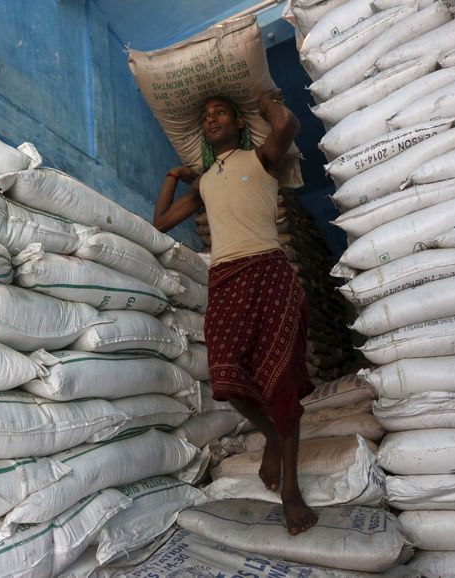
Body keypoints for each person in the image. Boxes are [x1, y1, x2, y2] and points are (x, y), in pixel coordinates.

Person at [153, 90, 318, 535]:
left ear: (237, 124)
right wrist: (175, 174)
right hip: (226, 281)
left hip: (268, 273)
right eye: (206, 116)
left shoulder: (260, 159)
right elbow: (161, 223)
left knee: (279, 381)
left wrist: (264, 103)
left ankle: (290, 491)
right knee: (226, 379)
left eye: (220, 113)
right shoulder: (204, 182)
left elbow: (286, 125)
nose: (211, 119)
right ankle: (270, 435)